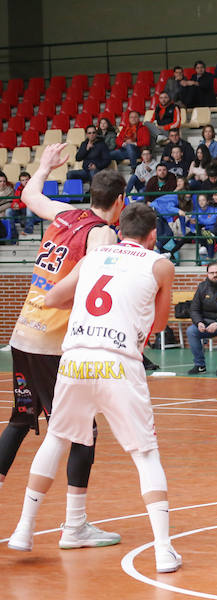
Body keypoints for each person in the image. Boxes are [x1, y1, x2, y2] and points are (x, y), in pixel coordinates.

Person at [7, 202, 179, 573]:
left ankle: (23, 529)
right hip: (118, 362)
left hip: (75, 357)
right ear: (152, 236)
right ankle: (164, 550)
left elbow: (52, 299)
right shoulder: (160, 264)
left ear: (119, 230)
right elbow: (161, 324)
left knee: (56, 439)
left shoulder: (94, 257)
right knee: (145, 454)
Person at [0, 144, 124, 551]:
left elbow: (30, 197)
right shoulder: (102, 233)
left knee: (20, 421)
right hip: (55, 343)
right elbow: (94, 287)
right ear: (120, 202)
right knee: (81, 431)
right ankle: (75, 526)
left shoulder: (67, 214)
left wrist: (43, 166)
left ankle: (62, 524)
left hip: (23, 332)